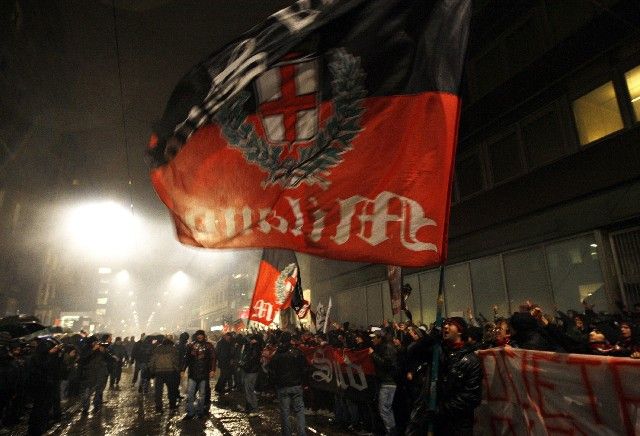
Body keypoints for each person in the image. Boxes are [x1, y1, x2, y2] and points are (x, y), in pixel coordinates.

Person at [434, 317, 482, 435]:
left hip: (459, 426)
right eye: (445, 324)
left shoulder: (471, 360)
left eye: (450, 325)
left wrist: (442, 409)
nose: (445, 326)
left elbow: (471, 397)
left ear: (460, 331)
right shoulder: (439, 354)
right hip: (439, 424)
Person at [267, 331, 308, 436]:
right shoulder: (297, 352)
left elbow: (271, 370)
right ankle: (302, 433)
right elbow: (305, 368)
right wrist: (303, 381)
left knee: (285, 412)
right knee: (299, 411)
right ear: (290, 340)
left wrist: (274, 384)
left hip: (283, 387)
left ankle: (286, 433)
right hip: (296, 386)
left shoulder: (277, 354)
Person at [369, 330, 398, 436]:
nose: (372, 340)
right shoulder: (382, 347)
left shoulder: (387, 347)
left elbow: (387, 364)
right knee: (384, 409)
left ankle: (391, 432)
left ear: (380, 338)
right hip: (384, 381)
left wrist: (373, 355)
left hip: (388, 382)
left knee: (384, 409)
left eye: (374, 338)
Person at [182, 330, 216, 420]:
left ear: (204, 336)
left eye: (201, 335)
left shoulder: (209, 346)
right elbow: (187, 358)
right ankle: (190, 412)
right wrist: (183, 370)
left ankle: (200, 412)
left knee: (202, 394)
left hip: (204, 374)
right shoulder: (191, 345)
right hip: (192, 374)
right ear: (196, 336)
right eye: (198, 335)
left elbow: (213, 358)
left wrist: (212, 370)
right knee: (190, 394)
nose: (200, 337)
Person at [150, 337, 180, 412]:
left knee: (158, 391)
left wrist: (152, 371)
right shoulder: (173, 349)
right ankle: (172, 405)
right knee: (171, 389)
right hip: (170, 372)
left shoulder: (157, 349)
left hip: (159, 372)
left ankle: (158, 407)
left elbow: (152, 361)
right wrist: (177, 370)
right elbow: (175, 361)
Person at [239, 333, 263, 414]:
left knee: (249, 389)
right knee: (249, 389)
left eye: (251, 339)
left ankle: (253, 408)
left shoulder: (255, 348)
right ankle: (250, 407)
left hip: (251, 371)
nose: (250, 340)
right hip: (251, 370)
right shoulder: (254, 347)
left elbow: (252, 360)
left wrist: (244, 365)